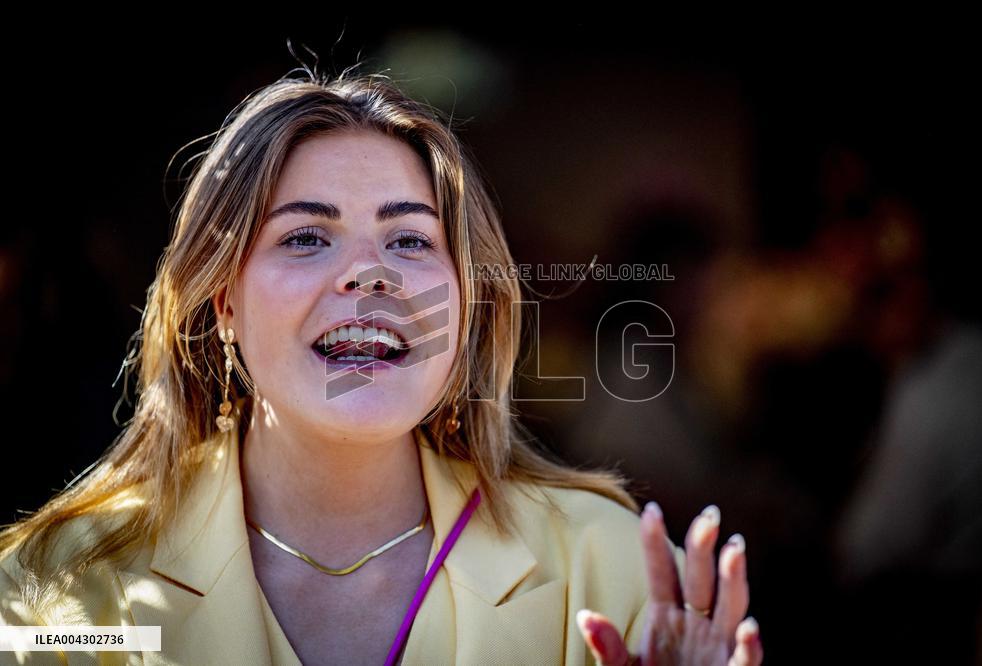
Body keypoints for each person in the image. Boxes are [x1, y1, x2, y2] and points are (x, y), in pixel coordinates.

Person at [0, 68, 763, 665]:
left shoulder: (614, 571)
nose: (369, 275)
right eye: (305, 238)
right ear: (222, 300)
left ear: (466, 305)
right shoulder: (56, 591)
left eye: (410, 241)